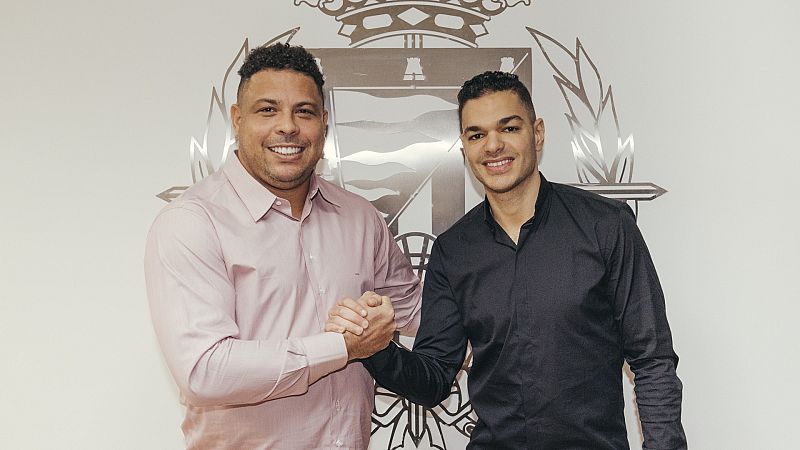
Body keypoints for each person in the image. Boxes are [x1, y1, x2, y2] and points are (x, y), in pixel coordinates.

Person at [329, 71, 687, 449]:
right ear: (464, 148)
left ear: (538, 133)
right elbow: (433, 380)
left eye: (509, 128)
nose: (493, 145)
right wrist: (376, 348)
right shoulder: (453, 251)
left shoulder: (606, 225)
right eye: (477, 135)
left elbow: (652, 360)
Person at [144, 43, 421, 449]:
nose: (288, 127)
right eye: (267, 110)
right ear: (237, 119)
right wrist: (342, 347)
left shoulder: (361, 217)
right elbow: (204, 371)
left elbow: (416, 311)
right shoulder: (192, 222)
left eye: (304, 111)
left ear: (324, 123)